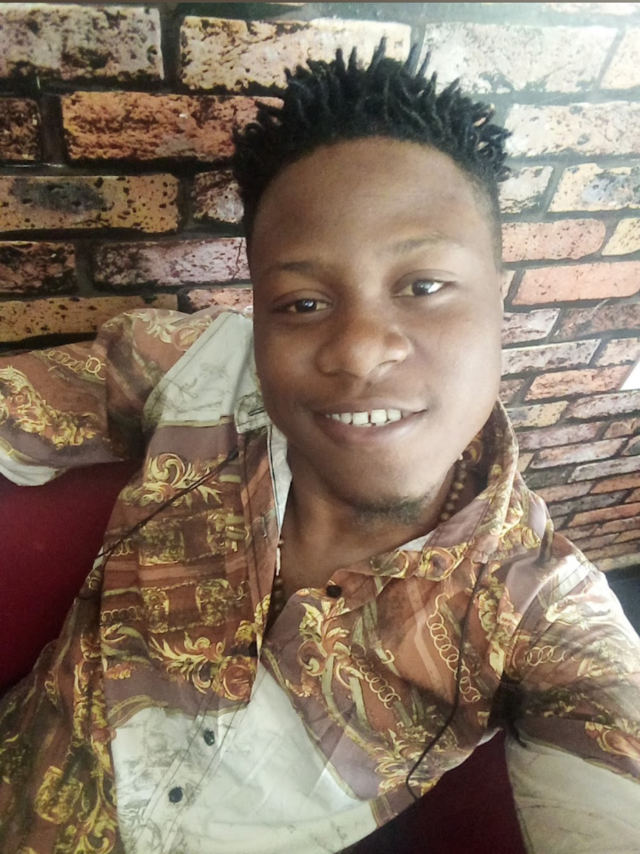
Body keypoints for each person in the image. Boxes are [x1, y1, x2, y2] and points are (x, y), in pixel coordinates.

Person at [1, 41, 639, 854]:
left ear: (499, 308)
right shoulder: (197, 369)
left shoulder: (539, 613)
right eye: (302, 303)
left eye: (424, 286)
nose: (360, 350)